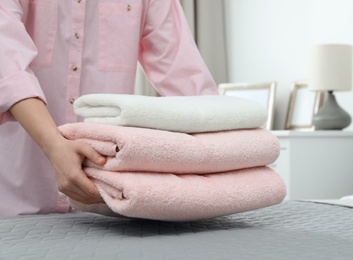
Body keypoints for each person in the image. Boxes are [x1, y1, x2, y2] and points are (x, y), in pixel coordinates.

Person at [0, 0, 218, 216]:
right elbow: (8, 65)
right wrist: (55, 147)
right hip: (16, 201)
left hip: (107, 205)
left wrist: (228, 147)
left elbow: (187, 78)